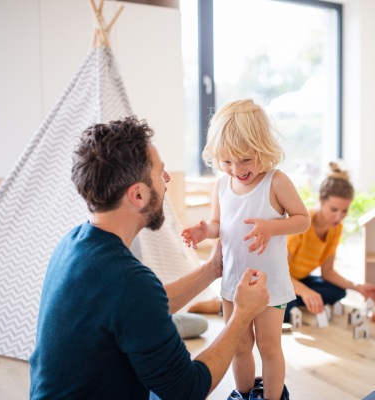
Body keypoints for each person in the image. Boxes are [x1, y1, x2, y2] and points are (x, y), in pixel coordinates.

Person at [29, 116, 270, 400]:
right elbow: (188, 390)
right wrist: (242, 316)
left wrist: (210, 270)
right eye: (160, 173)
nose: (167, 179)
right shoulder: (128, 280)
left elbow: (137, 309)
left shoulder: (73, 243)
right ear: (139, 194)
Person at [181, 99, 311, 400]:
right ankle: (243, 393)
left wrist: (271, 227)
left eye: (245, 160)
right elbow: (218, 224)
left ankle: (272, 398)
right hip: (232, 281)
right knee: (239, 344)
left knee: (268, 346)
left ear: (263, 149)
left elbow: (302, 220)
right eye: (227, 161)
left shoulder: (276, 182)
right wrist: (205, 231)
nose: (237, 170)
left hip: (270, 284)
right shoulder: (221, 185)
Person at [285, 163, 375, 323]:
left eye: (344, 210)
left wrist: (358, 287)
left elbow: (327, 272)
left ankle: (297, 297)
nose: (339, 217)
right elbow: (278, 273)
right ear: (321, 200)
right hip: (279, 280)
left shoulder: (336, 228)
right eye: (334, 210)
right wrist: (306, 292)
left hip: (300, 279)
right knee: (287, 312)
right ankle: (296, 298)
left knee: (339, 292)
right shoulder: (301, 223)